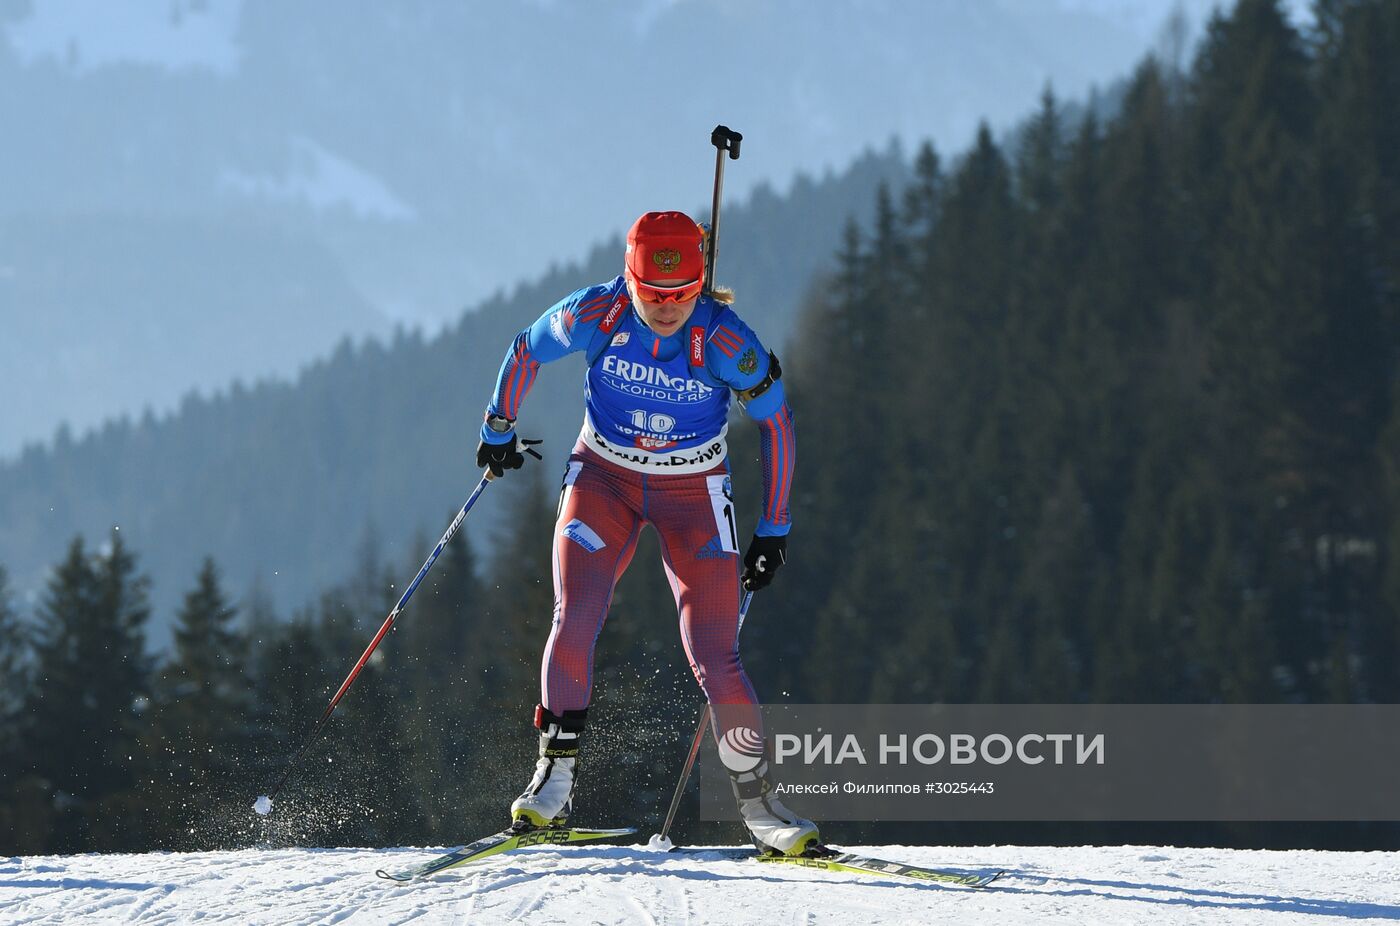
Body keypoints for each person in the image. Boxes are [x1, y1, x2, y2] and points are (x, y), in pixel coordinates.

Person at [474, 210, 818, 856]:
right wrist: (498, 427)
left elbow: (777, 421)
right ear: (629, 279)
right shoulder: (598, 313)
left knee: (716, 653)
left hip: (694, 492)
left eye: (682, 296)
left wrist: (774, 528)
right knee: (574, 616)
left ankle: (761, 804)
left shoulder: (723, 341)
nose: (667, 310)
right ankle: (553, 777)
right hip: (604, 480)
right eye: (653, 296)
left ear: (701, 284)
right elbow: (526, 346)